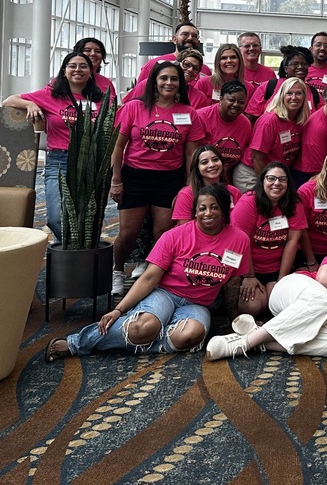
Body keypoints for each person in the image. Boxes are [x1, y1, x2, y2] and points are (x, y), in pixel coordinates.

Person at [46, 185, 250, 362]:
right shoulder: (175, 236)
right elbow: (149, 277)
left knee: (189, 336)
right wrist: (119, 309)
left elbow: (233, 282)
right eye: (202, 208)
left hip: (198, 304)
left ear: (224, 210)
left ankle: (145, 340)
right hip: (166, 294)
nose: (208, 213)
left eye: (214, 207)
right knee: (142, 327)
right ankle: (76, 343)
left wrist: (234, 319)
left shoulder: (239, 239)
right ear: (194, 211)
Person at [207, 216, 327, 360]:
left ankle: (261, 340)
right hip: (294, 291)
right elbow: (324, 277)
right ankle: (243, 344)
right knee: (326, 302)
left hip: (322, 319)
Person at [110, 61, 203, 295]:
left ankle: (153, 272)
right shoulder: (134, 108)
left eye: (174, 79)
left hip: (169, 180)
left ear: (180, 84)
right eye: (164, 78)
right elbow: (118, 147)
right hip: (135, 177)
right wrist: (116, 180)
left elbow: (191, 153)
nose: (169, 83)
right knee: (127, 234)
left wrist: (190, 185)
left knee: (162, 233)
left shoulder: (187, 113)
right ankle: (118, 271)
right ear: (154, 81)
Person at [4, 50, 103, 244]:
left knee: (87, 216)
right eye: (72, 66)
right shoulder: (50, 95)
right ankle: (69, 247)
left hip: (91, 162)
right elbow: (8, 101)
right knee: (56, 216)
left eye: (83, 66)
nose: (78, 70)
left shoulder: (99, 99)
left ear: (91, 73)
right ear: (64, 70)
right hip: (60, 160)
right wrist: (30, 104)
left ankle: (77, 256)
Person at [232, 163, 310, 318]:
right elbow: (240, 242)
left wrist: (282, 278)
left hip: (277, 266)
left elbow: (292, 241)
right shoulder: (248, 202)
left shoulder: (294, 203)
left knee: (280, 305)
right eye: (271, 178)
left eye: (282, 179)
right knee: (252, 307)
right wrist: (249, 276)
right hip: (250, 267)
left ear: (288, 183)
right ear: (262, 180)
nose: (276, 183)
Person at [235, 76, 308, 191]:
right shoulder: (269, 121)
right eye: (289, 93)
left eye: (298, 93)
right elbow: (257, 157)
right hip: (253, 174)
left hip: (276, 175)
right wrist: (264, 186)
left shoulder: (299, 121)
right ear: (281, 96)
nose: (294, 98)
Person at [171, 145, 243, 226]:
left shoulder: (234, 192)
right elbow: (184, 228)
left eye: (215, 160)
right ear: (197, 169)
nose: (212, 165)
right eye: (204, 162)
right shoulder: (186, 194)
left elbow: (240, 224)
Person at [245, 45, 318, 119]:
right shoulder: (269, 86)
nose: (300, 67)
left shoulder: (313, 92)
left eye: (304, 64)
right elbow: (251, 115)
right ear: (286, 69)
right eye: (295, 64)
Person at [195, 80, 252, 172]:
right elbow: (192, 153)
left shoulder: (246, 124)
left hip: (230, 176)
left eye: (241, 102)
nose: (236, 105)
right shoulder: (200, 116)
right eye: (231, 100)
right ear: (220, 99)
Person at [136, 21, 210, 82]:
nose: (190, 38)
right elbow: (139, 94)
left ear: (198, 41)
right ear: (174, 39)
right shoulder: (153, 64)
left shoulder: (205, 70)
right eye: (185, 34)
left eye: (194, 36)